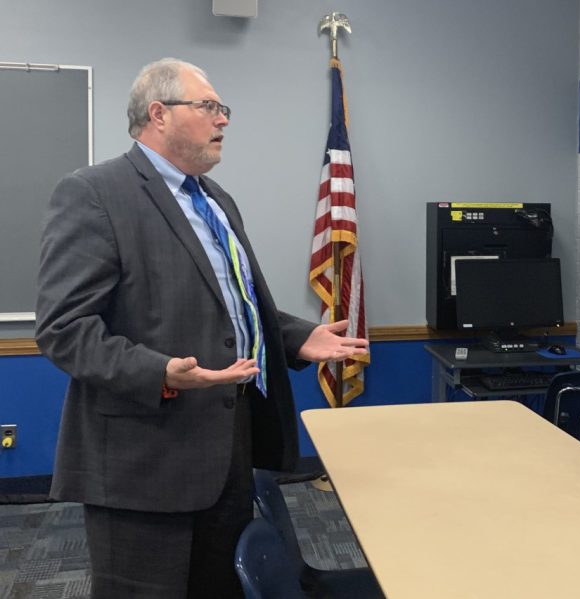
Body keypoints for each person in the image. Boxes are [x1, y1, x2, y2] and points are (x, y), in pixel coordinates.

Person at [35, 57, 368, 598]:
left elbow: (232, 305)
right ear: (158, 113)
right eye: (209, 107)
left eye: (222, 109)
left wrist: (293, 336)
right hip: (143, 463)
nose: (223, 120)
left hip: (228, 458)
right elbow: (64, 328)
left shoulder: (216, 200)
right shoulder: (94, 193)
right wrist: (161, 372)